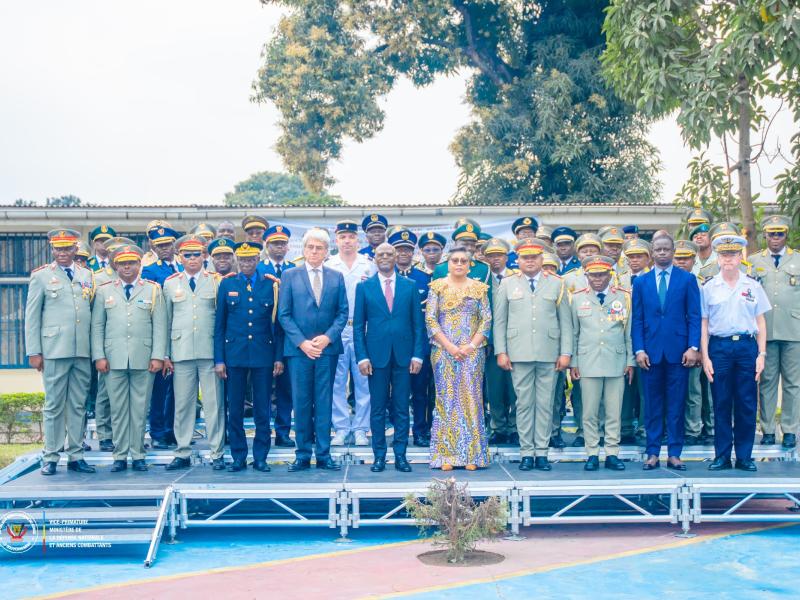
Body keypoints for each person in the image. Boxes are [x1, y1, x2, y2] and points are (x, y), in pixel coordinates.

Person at [493, 239, 572, 471]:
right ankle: (527, 452)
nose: (529, 261)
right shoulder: (507, 284)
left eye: (534, 257)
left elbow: (565, 322)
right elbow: (500, 322)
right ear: (517, 260)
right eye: (525, 257)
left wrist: (566, 352)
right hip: (518, 353)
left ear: (541, 259)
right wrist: (501, 351)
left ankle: (542, 452)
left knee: (546, 405)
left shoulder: (557, 283)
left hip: (550, 353)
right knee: (524, 404)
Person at [25, 229, 96, 476]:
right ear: (52, 250)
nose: (63, 253)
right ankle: (51, 456)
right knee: (54, 405)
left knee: (78, 405)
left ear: (76, 249)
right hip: (54, 349)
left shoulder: (88, 275)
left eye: (67, 248)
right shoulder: (42, 276)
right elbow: (32, 317)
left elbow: (92, 314)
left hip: (82, 350)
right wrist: (34, 350)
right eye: (58, 249)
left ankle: (76, 455)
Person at [278, 228, 349, 472]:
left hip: (326, 351)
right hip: (299, 352)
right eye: (311, 247)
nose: (315, 251)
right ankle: (302, 454)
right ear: (304, 249)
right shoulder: (290, 275)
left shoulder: (336, 277)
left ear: (327, 251)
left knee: (324, 401)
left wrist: (327, 338)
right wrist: (303, 342)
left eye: (320, 247)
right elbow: (284, 314)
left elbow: (342, 313)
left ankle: (324, 454)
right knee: (302, 401)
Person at [91, 244, 167, 473]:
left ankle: (138, 454)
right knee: (118, 409)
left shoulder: (152, 290)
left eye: (132, 263)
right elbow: (97, 326)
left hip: (144, 359)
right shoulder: (105, 290)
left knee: (140, 409)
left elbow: (160, 326)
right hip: (113, 360)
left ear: (139, 265)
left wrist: (157, 356)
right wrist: (99, 356)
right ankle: (120, 455)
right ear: (115, 266)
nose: (127, 267)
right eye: (122, 263)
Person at [353, 243, 425, 472]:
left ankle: (401, 455)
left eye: (389, 254)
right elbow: (358, 326)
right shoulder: (364, 287)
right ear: (374, 258)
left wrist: (418, 355)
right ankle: (379, 456)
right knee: (377, 408)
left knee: (402, 407)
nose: (385, 257)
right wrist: (362, 357)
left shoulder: (410, 286)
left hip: (404, 357)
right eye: (380, 254)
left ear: (396, 257)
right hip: (376, 358)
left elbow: (417, 324)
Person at [632, 234, 701, 471]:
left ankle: (674, 453)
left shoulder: (687, 279)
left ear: (673, 252)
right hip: (650, 354)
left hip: (678, 353)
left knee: (676, 405)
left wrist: (693, 347)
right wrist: (639, 349)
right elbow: (637, 319)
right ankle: (652, 452)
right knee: (652, 406)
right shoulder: (641, 282)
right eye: (658, 249)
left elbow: (694, 316)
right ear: (652, 253)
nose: (662, 253)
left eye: (666, 249)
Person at [702, 235, 770, 471]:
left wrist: (761, 355)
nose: (728, 258)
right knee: (721, 402)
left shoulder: (752, 285)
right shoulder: (709, 287)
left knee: (746, 403)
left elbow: (760, 322)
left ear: (740, 256)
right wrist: (705, 357)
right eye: (723, 254)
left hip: (745, 348)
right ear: (718, 258)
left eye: (732, 254)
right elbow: (704, 324)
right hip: (719, 348)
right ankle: (721, 455)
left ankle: (744, 456)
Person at [213, 241, 283, 472]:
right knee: (235, 409)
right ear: (237, 261)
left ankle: (261, 457)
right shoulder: (227, 284)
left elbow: (277, 326)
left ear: (257, 260)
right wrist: (219, 360)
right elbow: (220, 326)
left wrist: (278, 357)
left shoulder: (270, 285)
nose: (246, 264)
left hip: (263, 353)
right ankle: (239, 456)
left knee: (263, 409)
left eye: (250, 259)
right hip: (234, 355)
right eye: (242, 260)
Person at [163, 235, 225, 471]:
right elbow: (165, 321)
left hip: (209, 352)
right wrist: (165, 354)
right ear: (180, 257)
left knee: (214, 404)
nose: (191, 259)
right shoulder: (170, 284)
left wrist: (221, 355)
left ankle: (216, 451)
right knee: (183, 405)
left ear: (204, 256)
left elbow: (221, 321)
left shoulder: (216, 281)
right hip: (181, 352)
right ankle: (182, 451)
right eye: (187, 255)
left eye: (196, 254)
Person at [426, 248, 491, 470]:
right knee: (446, 398)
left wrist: (471, 346)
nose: (459, 264)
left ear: (469, 264)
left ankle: (472, 455)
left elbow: (486, 321)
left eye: (464, 261)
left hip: (472, 352)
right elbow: (431, 320)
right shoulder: (437, 287)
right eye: (455, 260)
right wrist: (451, 347)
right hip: (444, 351)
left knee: (471, 399)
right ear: (448, 263)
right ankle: (446, 456)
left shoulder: (479, 288)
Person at [570, 255, 633, 470]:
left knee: (614, 411)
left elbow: (628, 332)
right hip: (588, 361)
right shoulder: (577, 298)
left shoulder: (623, 297)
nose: (597, 278)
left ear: (610, 275)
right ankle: (592, 453)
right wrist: (574, 362)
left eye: (601, 274)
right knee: (589, 412)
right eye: (593, 274)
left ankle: (612, 452)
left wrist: (630, 360)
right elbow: (574, 333)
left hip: (616, 359)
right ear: (586, 275)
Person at [749, 214, 799, 449]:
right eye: (771, 234)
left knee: (792, 383)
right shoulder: (753, 261)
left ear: (786, 234)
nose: (775, 238)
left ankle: (789, 429)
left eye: (779, 233)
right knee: (767, 381)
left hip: (793, 330)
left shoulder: (797, 260)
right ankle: (768, 429)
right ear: (765, 235)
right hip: (764, 332)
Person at [326, 220, 376, 446]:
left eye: (351, 236)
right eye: (342, 236)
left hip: (362, 329)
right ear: (336, 240)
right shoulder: (330, 264)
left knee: (363, 381)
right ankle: (341, 428)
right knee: (337, 382)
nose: (347, 240)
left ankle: (361, 429)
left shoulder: (369, 264)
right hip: (337, 329)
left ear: (358, 240)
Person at [389, 229, 433, 445]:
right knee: (396, 394)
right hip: (393, 346)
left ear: (413, 252)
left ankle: (420, 431)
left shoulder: (425, 278)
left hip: (419, 345)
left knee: (419, 393)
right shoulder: (386, 277)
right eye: (399, 249)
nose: (403, 253)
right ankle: (399, 433)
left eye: (407, 249)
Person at [141, 225, 182, 450]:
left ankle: (175, 430)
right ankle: (158, 432)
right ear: (152, 246)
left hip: (184, 337)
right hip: (164, 336)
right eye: (160, 245)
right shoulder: (150, 271)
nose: (165, 249)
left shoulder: (184, 266)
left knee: (180, 391)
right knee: (160, 389)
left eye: (167, 244)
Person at [259, 225, 296, 448]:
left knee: (286, 389)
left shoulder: (294, 269)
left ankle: (283, 432)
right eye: (274, 243)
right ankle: (263, 433)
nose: (279, 247)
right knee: (263, 388)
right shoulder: (259, 269)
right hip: (264, 335)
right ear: (267, 246)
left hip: (289, 336)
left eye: (282, 243)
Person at [483, 238, 519, 445]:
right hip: (490, 342)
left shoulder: (517, 277)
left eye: (499, 255)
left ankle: (514, 427)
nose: (495, 259)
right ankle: (498, 427)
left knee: (514, 388)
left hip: (514, 340)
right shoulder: (482, 279)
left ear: (507, 257)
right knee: (494, 388)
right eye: (491, 255)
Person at [621, 238, 652, 443]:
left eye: (639, 256)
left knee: (645, 389)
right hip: (621, 339)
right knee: (624, 388)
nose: (634, 260)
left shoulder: (653, 278)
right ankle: (624, 428)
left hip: (647, 340)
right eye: (630, 256)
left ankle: (643, 427)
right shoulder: (619, 279)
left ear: (648, 258)